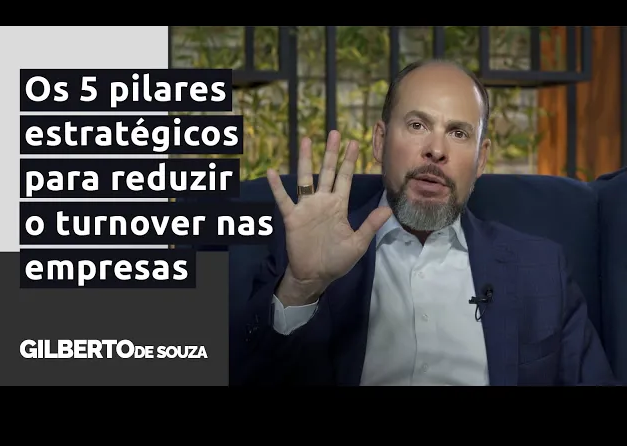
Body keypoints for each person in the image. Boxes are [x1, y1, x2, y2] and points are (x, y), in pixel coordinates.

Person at [229, 59, 619, 386]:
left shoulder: (543, 270)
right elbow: (245, 375)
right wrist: (303, 288)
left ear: (481, 159)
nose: (436, 149)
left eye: (458, 132)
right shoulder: (307, 253)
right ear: (380, 141)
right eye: (418, 125)